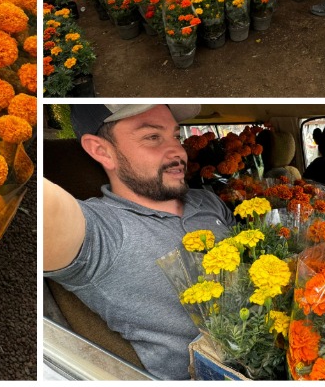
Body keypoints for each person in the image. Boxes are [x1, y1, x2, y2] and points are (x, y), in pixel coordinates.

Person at [43, 104, 234, 381]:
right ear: (101, 150)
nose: (178, 152)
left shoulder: (207, 201)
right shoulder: (103, 230)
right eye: (152, 137)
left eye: (176, 137)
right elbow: (49, 210)